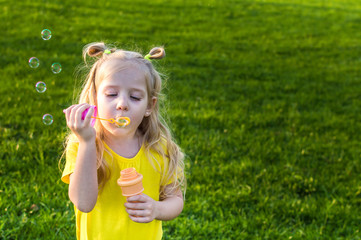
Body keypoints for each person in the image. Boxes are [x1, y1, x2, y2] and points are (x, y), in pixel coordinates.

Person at [61, 42, 186, 240]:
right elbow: (83, 203)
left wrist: (157, 209)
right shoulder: (82, 145)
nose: (122, 105)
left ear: (149, 106)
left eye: (135, 97)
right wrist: (86, 143)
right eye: (111, 94)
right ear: (95, 98)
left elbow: (175, 199)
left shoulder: (159, 148)